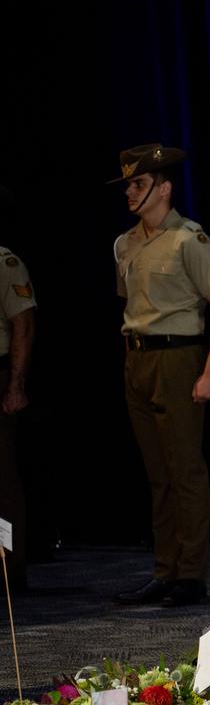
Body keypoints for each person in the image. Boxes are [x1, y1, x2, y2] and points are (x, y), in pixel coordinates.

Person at [108, 144, 210, 607]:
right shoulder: (125, 243)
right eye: (127, 185)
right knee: (157, 473)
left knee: (185, 471)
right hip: (138, 359)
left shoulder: (190, 240)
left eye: (138, 184)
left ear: (163, 188)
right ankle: (164, 571)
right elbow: (131, 303)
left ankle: (191, 575)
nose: (130, 192)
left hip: (179, 359)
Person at [0, 185, 36, 592]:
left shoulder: (5, 262)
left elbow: (24, 324)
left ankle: (8, 570)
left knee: (2, 480)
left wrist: (16, 384)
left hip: (1, 372)